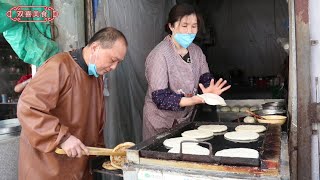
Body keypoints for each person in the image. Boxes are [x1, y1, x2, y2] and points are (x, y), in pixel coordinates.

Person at [17, 27, 127, 180]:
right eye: (113, 60)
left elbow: (96, 120)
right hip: (48, 167)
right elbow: (28, 108)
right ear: (95, 48)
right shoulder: (58, 66)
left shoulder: (96, 76)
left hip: (78, 163)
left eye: (118, 62)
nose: (114, 67)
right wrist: (62, 138)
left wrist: (99, 152)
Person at [143, 4, 231, 140]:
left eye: (194, 26)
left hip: (185, 120)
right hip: (160, 123)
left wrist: (209, 91)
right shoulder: (160, 55)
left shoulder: (196, 51)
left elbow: (205, 78)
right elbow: (160, 98)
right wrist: (192, 100)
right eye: (184, 26)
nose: (189, 31)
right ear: (171, 26)